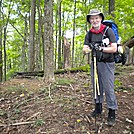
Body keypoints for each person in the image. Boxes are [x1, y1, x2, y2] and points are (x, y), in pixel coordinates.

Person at [83, 9, 118, 126]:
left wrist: (100, 48)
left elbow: (114, 48)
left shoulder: (108, 31)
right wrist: (90, 48)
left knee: (108, 87)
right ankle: (98, 108)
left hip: (107, 63)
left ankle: (112, 112)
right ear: (89, 20)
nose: (95, 20)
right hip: (95, 63)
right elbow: (85, 49)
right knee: (96, 86)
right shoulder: (89, 33)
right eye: (92, 18)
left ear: (101, 19)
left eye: (97, 18)